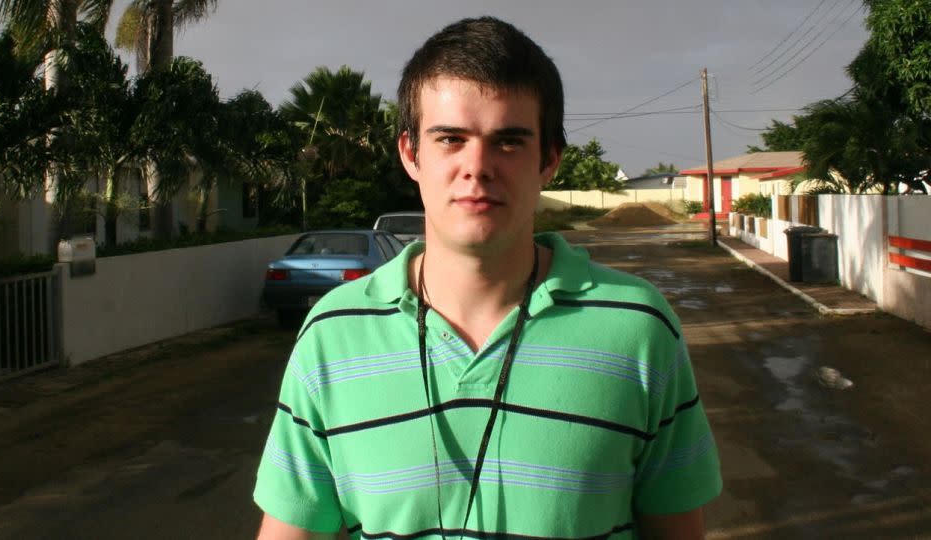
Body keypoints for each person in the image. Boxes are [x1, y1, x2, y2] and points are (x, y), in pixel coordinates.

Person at [254, 16, 721, 540]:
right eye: (451, 139)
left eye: (508, 142)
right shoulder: (332, 334)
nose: (477, 166)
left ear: (549, 160)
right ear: (411, 154)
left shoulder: (640, 328)